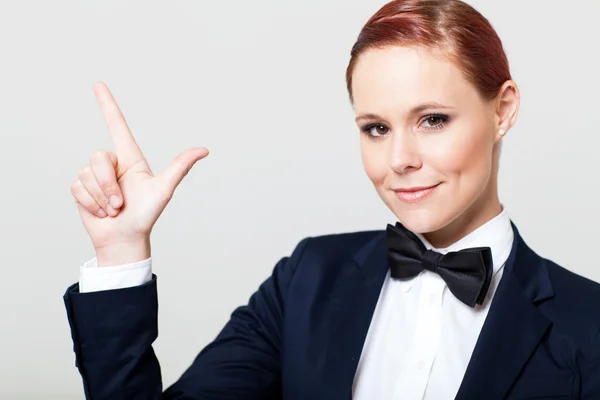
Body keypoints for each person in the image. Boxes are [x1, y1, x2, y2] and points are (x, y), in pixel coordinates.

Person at [63, 0, 600, 399]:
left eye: (432, 119)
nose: (400, 159)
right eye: (375, 128)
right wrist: (121, 252)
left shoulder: (589, 321)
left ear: (503, 109)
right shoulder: (306, 280)